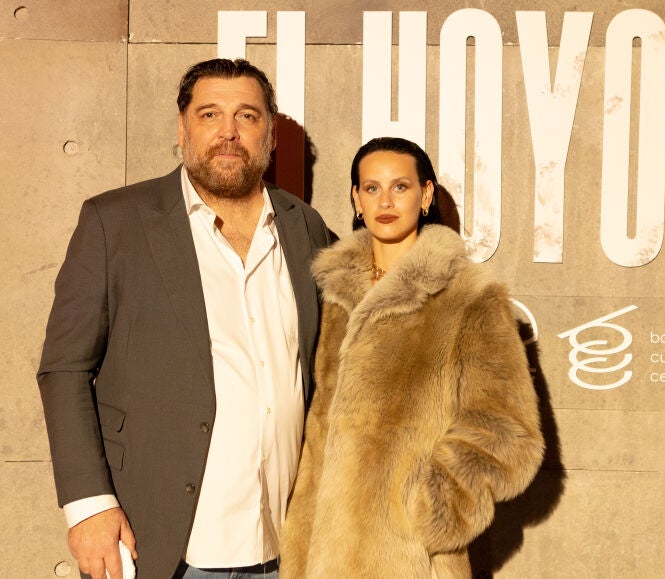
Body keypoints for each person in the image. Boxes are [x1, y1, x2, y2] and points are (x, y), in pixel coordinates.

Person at [37, 58, 335, 579]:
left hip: (287, 547)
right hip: (160, 543)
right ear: (182, 129)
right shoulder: (116, 222)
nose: (229, 132)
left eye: (247, 116)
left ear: (270, 135)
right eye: (210, 114)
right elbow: (65, 368)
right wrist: (88, 506)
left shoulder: (303, 226)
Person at [280, 137, 545, 578]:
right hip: (320, 551)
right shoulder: (329, 295)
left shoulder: (468, 297)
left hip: (410, 559)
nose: (385, 201)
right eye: (372, 188)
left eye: (399, 187)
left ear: (425, 195)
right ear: (356, 200)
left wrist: (431, 510)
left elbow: (507, 431)